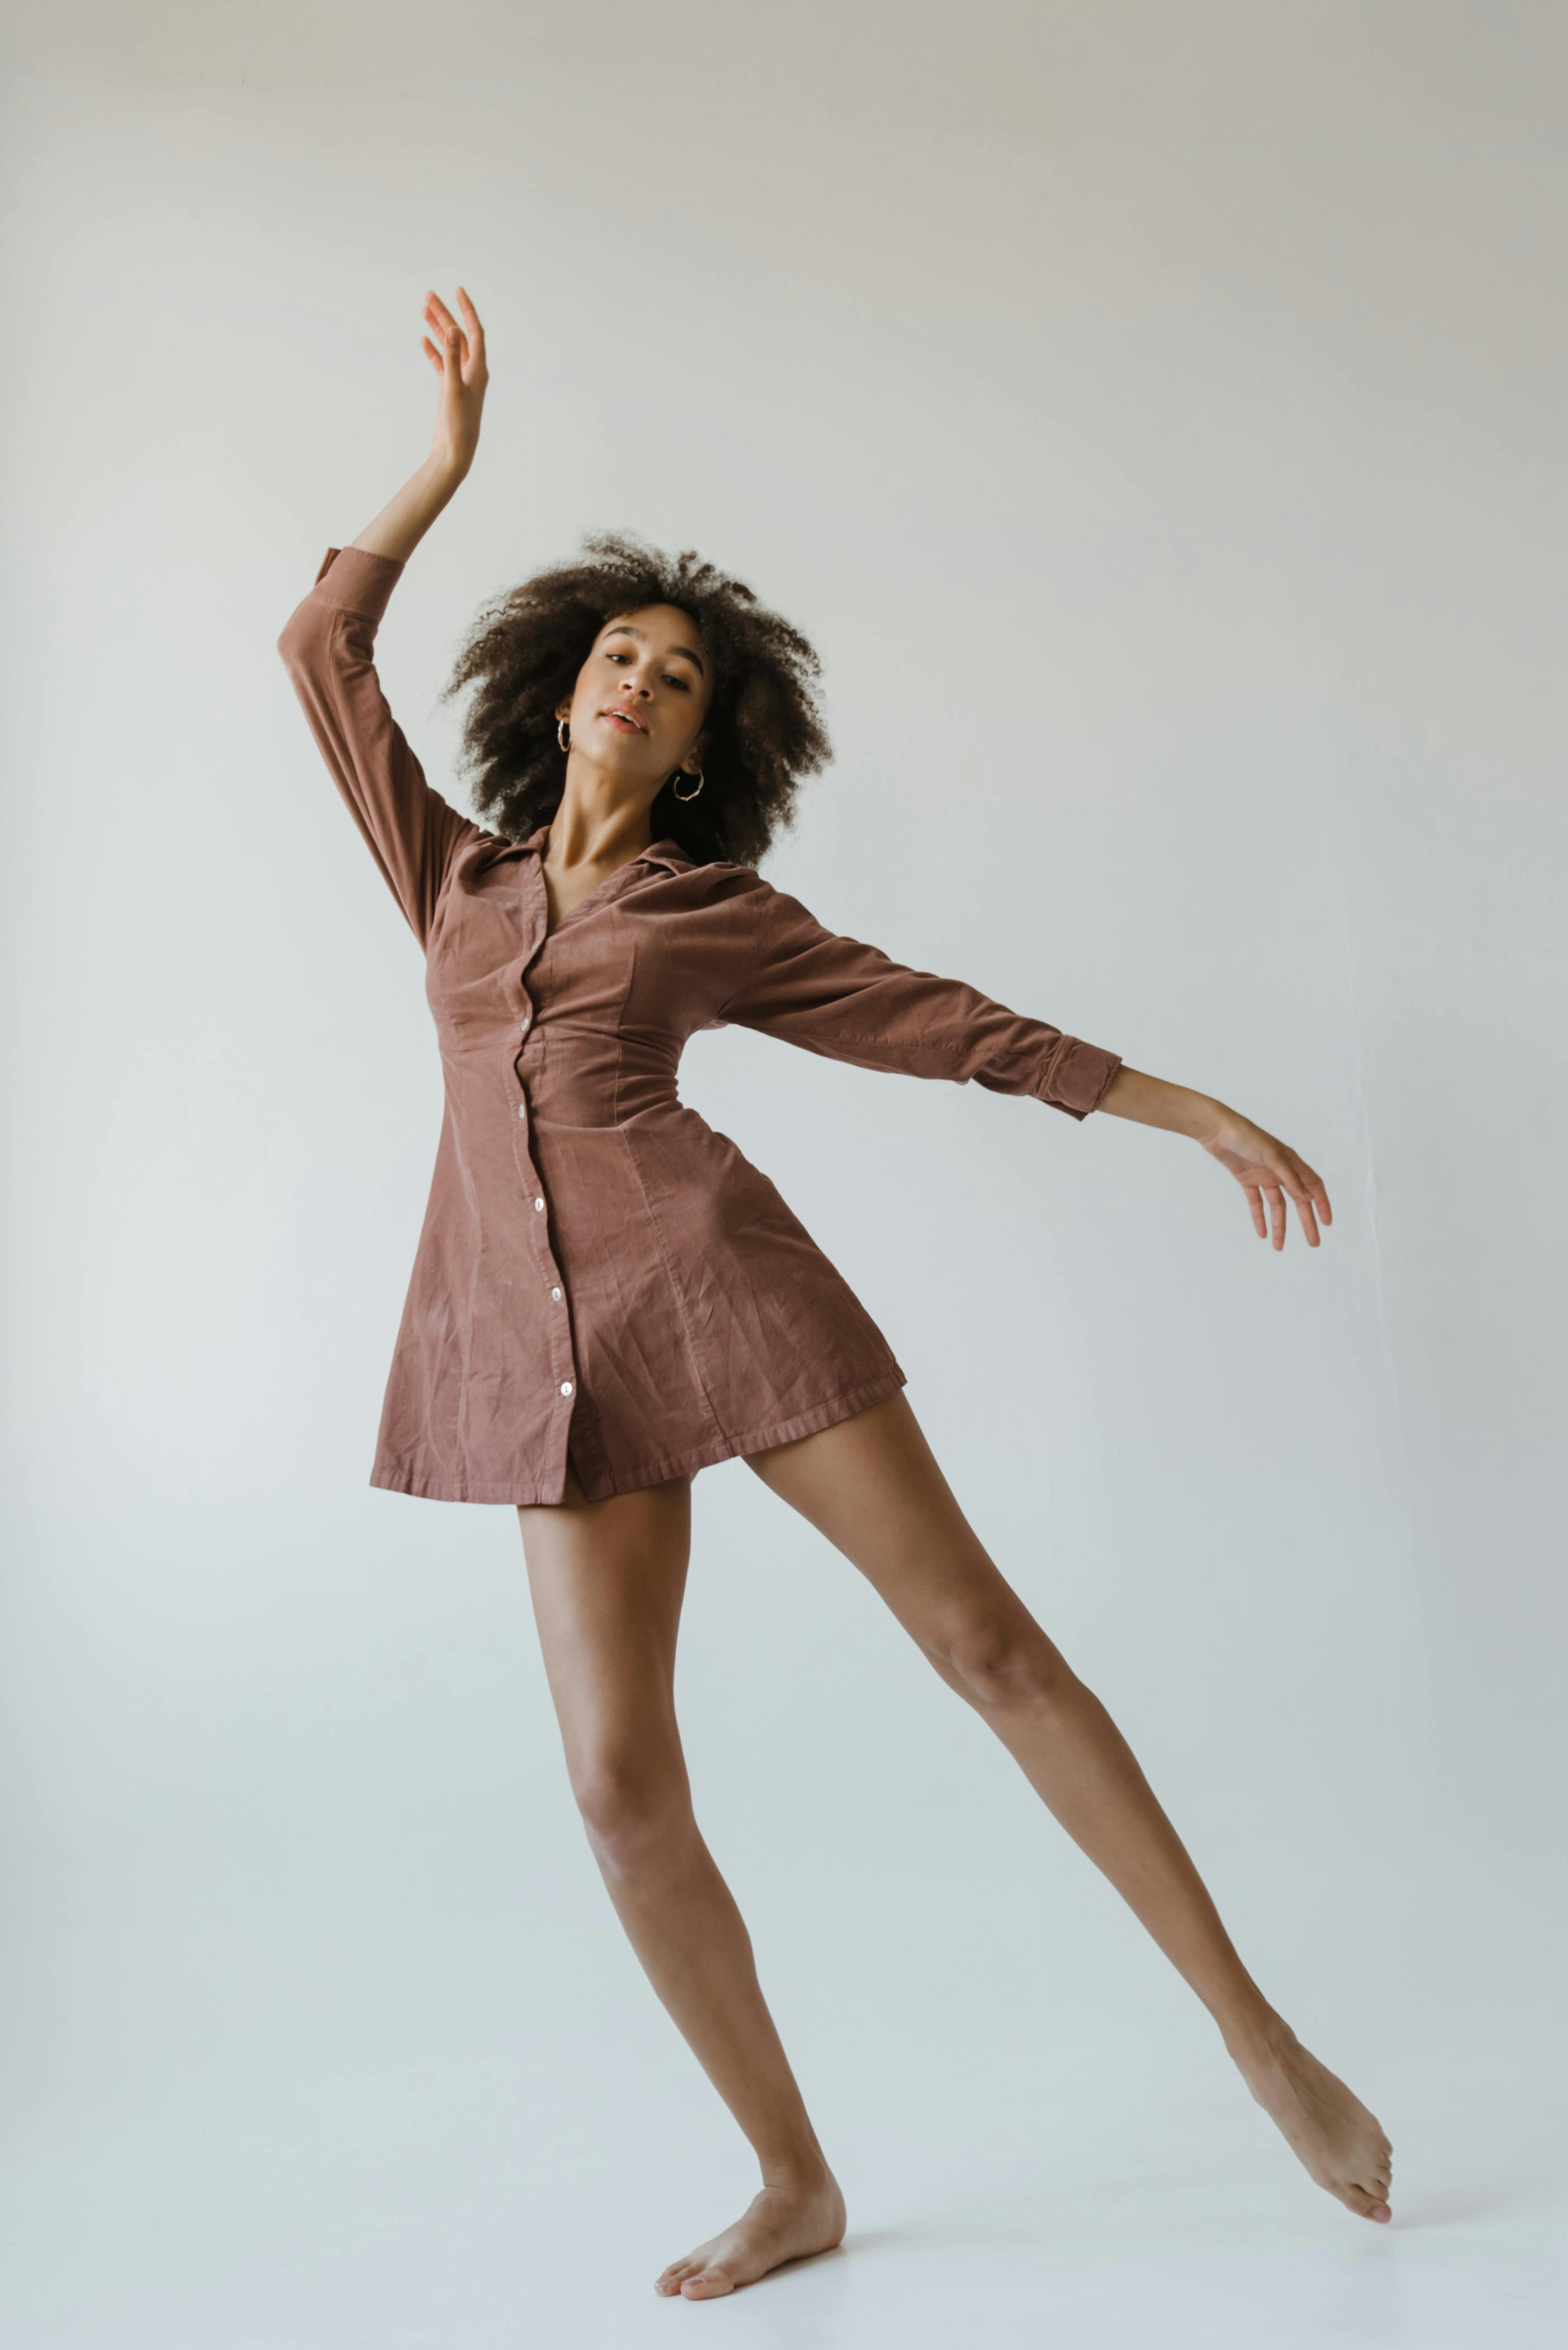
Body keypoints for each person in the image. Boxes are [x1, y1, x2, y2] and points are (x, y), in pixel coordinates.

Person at [276, 285, 1392, 2302]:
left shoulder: (715, 917)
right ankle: (792, 2177)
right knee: (619, 1789)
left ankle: (1257, 2037)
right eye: (617, 652)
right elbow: (316, 647)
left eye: (677, 676)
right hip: (538, 1363)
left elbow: (930, 1022)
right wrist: (444, 462)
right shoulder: (444, 872)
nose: (637, 680)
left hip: (732, 1295)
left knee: (984, 1644)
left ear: (707, 745)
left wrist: (1178, 1107)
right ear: (556, 691)